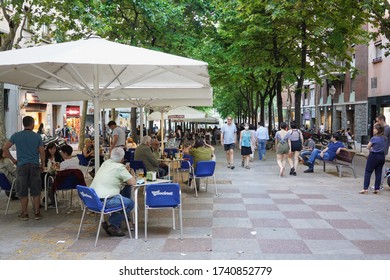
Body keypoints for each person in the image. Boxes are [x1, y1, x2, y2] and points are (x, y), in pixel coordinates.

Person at [2, 116, 45, 221]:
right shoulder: (37, 137)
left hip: (21, 166)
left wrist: (13, 160)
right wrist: (42, 164)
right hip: (34, 165)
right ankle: (37, 213)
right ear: (32, 124)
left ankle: (25, 214)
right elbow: (42, 152)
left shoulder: (16, 136)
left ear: (23, 124)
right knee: (36, 190)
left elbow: (5, 148)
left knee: (23, 190)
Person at [90, 147, 136, 237]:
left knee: (122, 197)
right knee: (129, 203)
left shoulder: (105, 163)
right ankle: (113, 224)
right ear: (122, 159)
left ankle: (114, 225)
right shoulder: (120, 167)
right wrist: (129, 172)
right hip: (104, 201)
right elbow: (132, 182)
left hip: (91, 199)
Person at [359, 124, 386, 194]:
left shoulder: (374, 138)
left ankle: (365, 189)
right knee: (378, 173)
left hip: (374, 156)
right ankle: (377, 189)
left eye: (375, 129)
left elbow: (368, 147)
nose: (373, 130)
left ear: (378, 131)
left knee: (368, 172)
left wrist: (372, 148)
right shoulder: (384, 138)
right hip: (382, 156)